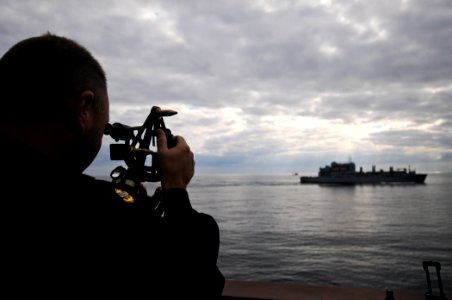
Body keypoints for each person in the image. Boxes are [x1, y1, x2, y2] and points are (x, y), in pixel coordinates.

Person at [0, 33, 225, 298]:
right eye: (103, 121)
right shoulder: (98, 215)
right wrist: (175, 188)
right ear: (83, 108)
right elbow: (197, 283)